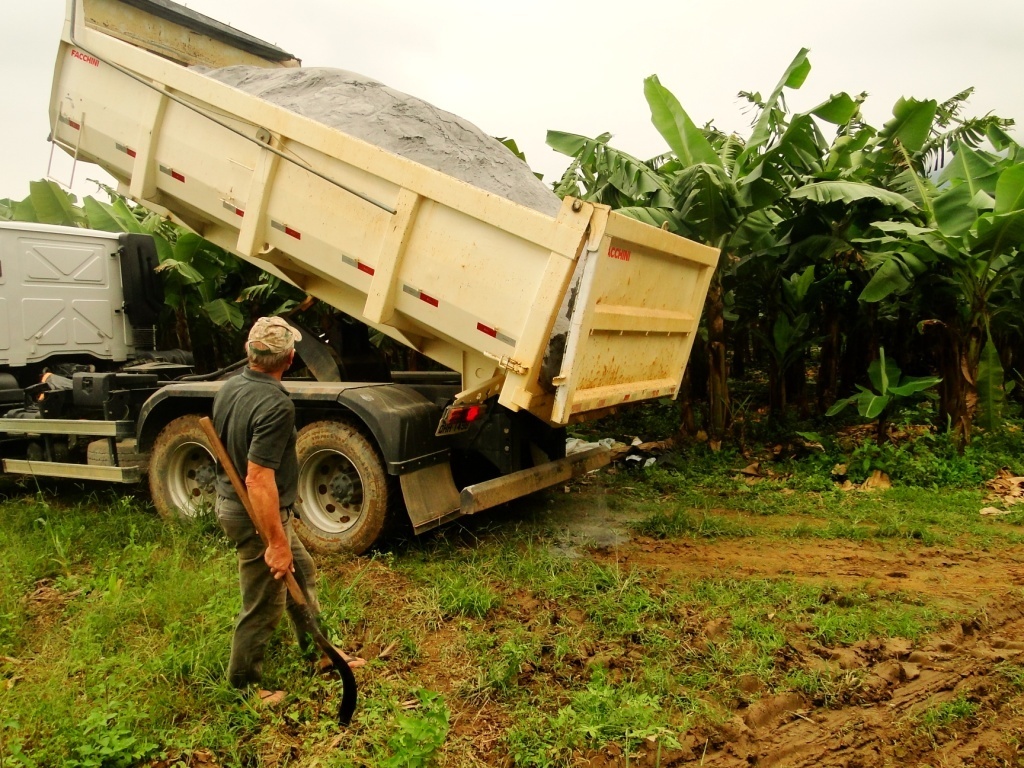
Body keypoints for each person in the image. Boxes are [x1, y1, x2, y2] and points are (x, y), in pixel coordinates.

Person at [211, 316, 364, 704]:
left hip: (248, 507)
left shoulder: (230, 387)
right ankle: (244, 686)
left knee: (303, 571)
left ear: (249, 352)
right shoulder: (276, 404)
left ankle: (322, 654)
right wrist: (275, 542)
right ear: (291, 358)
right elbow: (257, 479)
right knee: (264, 599)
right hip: (255, 514)